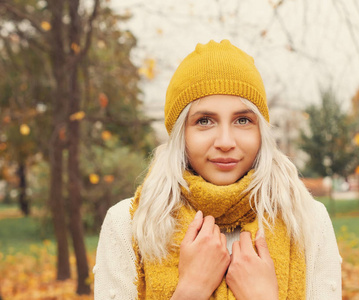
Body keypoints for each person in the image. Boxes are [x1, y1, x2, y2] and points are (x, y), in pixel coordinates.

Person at [94, 40, 342, 299]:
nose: (225, 142)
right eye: (204, 121)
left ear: (261, 132)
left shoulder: (305, 219)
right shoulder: (130, 224)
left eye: (243, 120)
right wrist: (192, 289)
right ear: (181, 133)